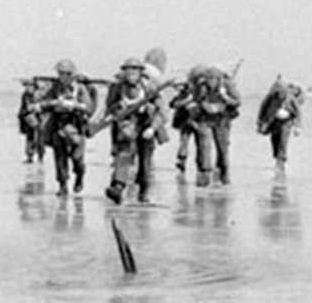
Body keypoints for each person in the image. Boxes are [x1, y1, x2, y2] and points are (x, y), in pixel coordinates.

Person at [103, 57, 164, 204]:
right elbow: (109, 106)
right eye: (128, 70)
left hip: (146, 125)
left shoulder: (149, 86)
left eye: (134, 70)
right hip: (127, 126)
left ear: (140, 72)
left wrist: (152, 128)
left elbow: (162, 111)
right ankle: (118, 186)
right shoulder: (117, 88)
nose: (131, 73)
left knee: (145, 162)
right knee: (123, 155)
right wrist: (119, 108)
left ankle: (143, 190)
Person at [37, 60, 93, 196]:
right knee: (60, 157)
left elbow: (89, 108)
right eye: (60, 73)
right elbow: (43, 102)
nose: (63, 76)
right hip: (59, 126)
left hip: (76, 127)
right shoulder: (54, 88)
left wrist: (74, 105)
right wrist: (55, 103)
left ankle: (79, 176)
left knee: (77, 157)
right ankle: (62, 184)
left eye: (66, 73)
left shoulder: (80, 89)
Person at [185, 65, 241, 186]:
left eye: (214, 79)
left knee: (222, 148)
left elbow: (237, 101)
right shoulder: (201, 87)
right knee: (204, 146)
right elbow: (195, 100)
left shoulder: (227, 86)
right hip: (205, 118)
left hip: (222, 120)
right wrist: (200, 106)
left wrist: (225, 97)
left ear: (219, 79)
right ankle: (205, 172)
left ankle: (224, 172)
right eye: (209, 79)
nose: (211, 82)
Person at [257, 78, 302, 171]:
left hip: (286, 122)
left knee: (283, 140)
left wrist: (298, 127)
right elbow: (263, 108)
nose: (281, 95)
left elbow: (298, 112)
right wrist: (260, 122)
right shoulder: (270, 97)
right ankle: (276, 158)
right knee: (274, 139)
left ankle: (281, 161)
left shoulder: (291, 98)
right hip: (274, 121)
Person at [18, 79, 51, 164]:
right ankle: (30, 155)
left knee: (40, 137)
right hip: (29, 117)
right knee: (30, 137)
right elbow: (25, 108)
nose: (28, 88)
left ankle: (40, 156)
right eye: (27, 86)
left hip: (39, 118)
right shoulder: (26, 95)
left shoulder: (39, 94)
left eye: (30, 86)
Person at [170, 80, 196, 174]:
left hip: (194, 121)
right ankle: (182, 161)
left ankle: (183, 161)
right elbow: (173, 104)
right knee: (184, 141)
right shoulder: (184, 94)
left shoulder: (188, 94)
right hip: (186, 121)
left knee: (185, 141)